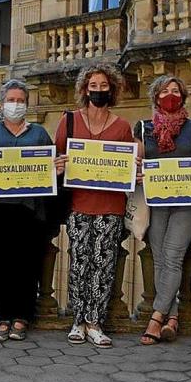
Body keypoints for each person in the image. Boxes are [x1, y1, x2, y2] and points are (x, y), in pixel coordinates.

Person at [0, 79, 64, 342]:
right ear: (2, 104)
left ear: (27, 104)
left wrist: (56, 169)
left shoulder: (39, 134)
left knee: (27, 264)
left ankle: (22, 317)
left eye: (20, 101)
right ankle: (2, 317)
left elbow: (50, 169)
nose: (15, 105)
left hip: (28, 210)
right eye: (11, 100)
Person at [53, 64, 132, 348]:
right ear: (84, 90)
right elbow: (57, 156)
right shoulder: (69, 121)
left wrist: (132, 167)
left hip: (111, 206)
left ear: (112, 89)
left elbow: (128, 166)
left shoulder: (122, 126)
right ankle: (77, 320)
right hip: (79, 204)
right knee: (79, 263)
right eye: (93, 86)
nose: (98, 90)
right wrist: (59, 164)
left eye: (103, 85)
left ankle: (95, 322)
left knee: (104, 265)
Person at [133, 75, 191, 345]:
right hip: (155, 201)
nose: (171, 95)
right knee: (160, 258)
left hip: (187, 203)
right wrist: (137, 172)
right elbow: (137, 161)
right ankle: (172, 318)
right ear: (155, 96)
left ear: (183, 96)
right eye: (165, 91)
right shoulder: (142, 128)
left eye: (176, 90)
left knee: (174, 256)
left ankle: (156, 317)